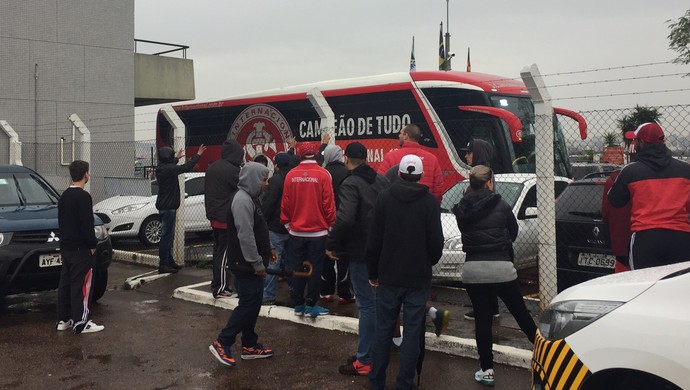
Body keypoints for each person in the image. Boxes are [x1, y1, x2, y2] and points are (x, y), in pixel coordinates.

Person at [452, 165, 536, 387]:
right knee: (520, 312)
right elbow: (514, 232)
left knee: (483, 319)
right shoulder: (501, 204)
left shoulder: (462, 208)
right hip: (501, 267)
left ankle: (487, 370)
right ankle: (544, 355)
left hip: (473, 270)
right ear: (489, 182)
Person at [366, 154, 444, 390]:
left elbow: (374, 239)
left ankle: (377, 381)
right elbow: (436, 243)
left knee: (383, 330)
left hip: (388, 275)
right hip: (417, 277)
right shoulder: (429, 202)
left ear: (399, 173)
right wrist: (428, 262)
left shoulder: (384, 198)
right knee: (412, 332)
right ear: (421, 176)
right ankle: (404, 383)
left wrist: (373, 271)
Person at [325, 142, 389, 376]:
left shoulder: (351, 183)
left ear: (346, 160)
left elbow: (345, 219)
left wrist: (331, 243)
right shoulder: (382, 180)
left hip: (361, 252)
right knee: (379, 304)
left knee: (367, 305)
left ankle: (364, 359)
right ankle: (374, 351)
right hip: (382, 250)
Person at [209, 162, 274, 366]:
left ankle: (249, 345)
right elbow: (245, 236)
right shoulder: (242, 201)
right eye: (264, 179)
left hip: (251, 262)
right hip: (245, 263)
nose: (267, 183)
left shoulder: (252, 199)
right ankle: (223, 342)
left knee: (252, 304)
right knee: (248, 305)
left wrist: (269, 248)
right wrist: (257, 263)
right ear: (254, 179)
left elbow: (259, 228)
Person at [608, 122, 690, 269]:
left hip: (645, 238)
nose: (633, 143)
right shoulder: (685, 169)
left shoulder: (631, 171)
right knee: (680, 288)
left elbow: (615, 200)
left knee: (644, 286)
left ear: (641, 142)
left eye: (635, 140)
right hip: (681, 237)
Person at [281, 142, 336, 318]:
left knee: (298, 268)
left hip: (296, 232)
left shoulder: (291, 175)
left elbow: (286, 204)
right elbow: (329, 204)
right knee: (315, 269)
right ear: (315, 153)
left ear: (300, 153)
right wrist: (330, 226)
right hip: (318, 233)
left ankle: (298, 305)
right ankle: (311, 305)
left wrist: (288, 225)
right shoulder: (323, 174)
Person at [56, 160, 104, 334]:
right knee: (82, 285)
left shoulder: (64, 196)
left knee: (66, 283)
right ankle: (81, 322)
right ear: (86, 174)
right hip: (81, 249)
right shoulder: (84, 197)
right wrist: (92, 245)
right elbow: (86, 223)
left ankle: (63, 319)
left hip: (66, 247)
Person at [460, 138, 501, 321]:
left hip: (480, 235)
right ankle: (490, 307)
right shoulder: (483, 173)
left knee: (475, 276)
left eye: (469, 152)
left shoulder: (483, 175)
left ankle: (485, 309)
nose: (466, 156)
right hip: (483, 234)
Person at [155, 144, 206, 274]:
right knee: (166, 237)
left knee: (168, 236)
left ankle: (168, 261)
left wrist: (176, 158)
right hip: (168, 208)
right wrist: (198, 155)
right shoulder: (168, 170)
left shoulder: (161, 168)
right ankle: (163, 264)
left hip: (166, 207)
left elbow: (172, 166)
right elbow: (186, 167)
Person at [204, 139, 243, 298]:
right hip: (225, 218)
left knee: (218, 252)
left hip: (214, 215)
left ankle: (217, 283)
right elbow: (243, 186)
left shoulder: (213, 167)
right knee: (225, 254)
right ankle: (220, 288)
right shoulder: (231, 170)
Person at [320, 144, 354, 304]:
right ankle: (344, 293)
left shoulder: (323, 173)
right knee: (344, 259)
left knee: (326, 258)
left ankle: (326, 292)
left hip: (325, 222)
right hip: (345, 222)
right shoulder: (349, 173)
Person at [376, 124, 445, 202]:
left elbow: (380, 182)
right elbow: (438, 188)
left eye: (401, 133)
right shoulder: (432, 159)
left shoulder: (391, 156)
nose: (399, 136)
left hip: (397, 205)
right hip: (423, 206)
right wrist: (432, 205)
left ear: (406, 136)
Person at [261, 152, 294, 305]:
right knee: (292, 260)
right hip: (293, 226)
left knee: (274, 260)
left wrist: (264, 221)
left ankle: (268, 295)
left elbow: (268, 203)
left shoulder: (275, 180)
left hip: (276, 226)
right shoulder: (295, 178)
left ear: (276, 164)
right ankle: (295, 290)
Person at [601, 169, 632, 273]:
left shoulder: (614, 179)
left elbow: (606, 213)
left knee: (622, 279)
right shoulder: (653, 175)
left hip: (621, 242)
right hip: (647, 239)